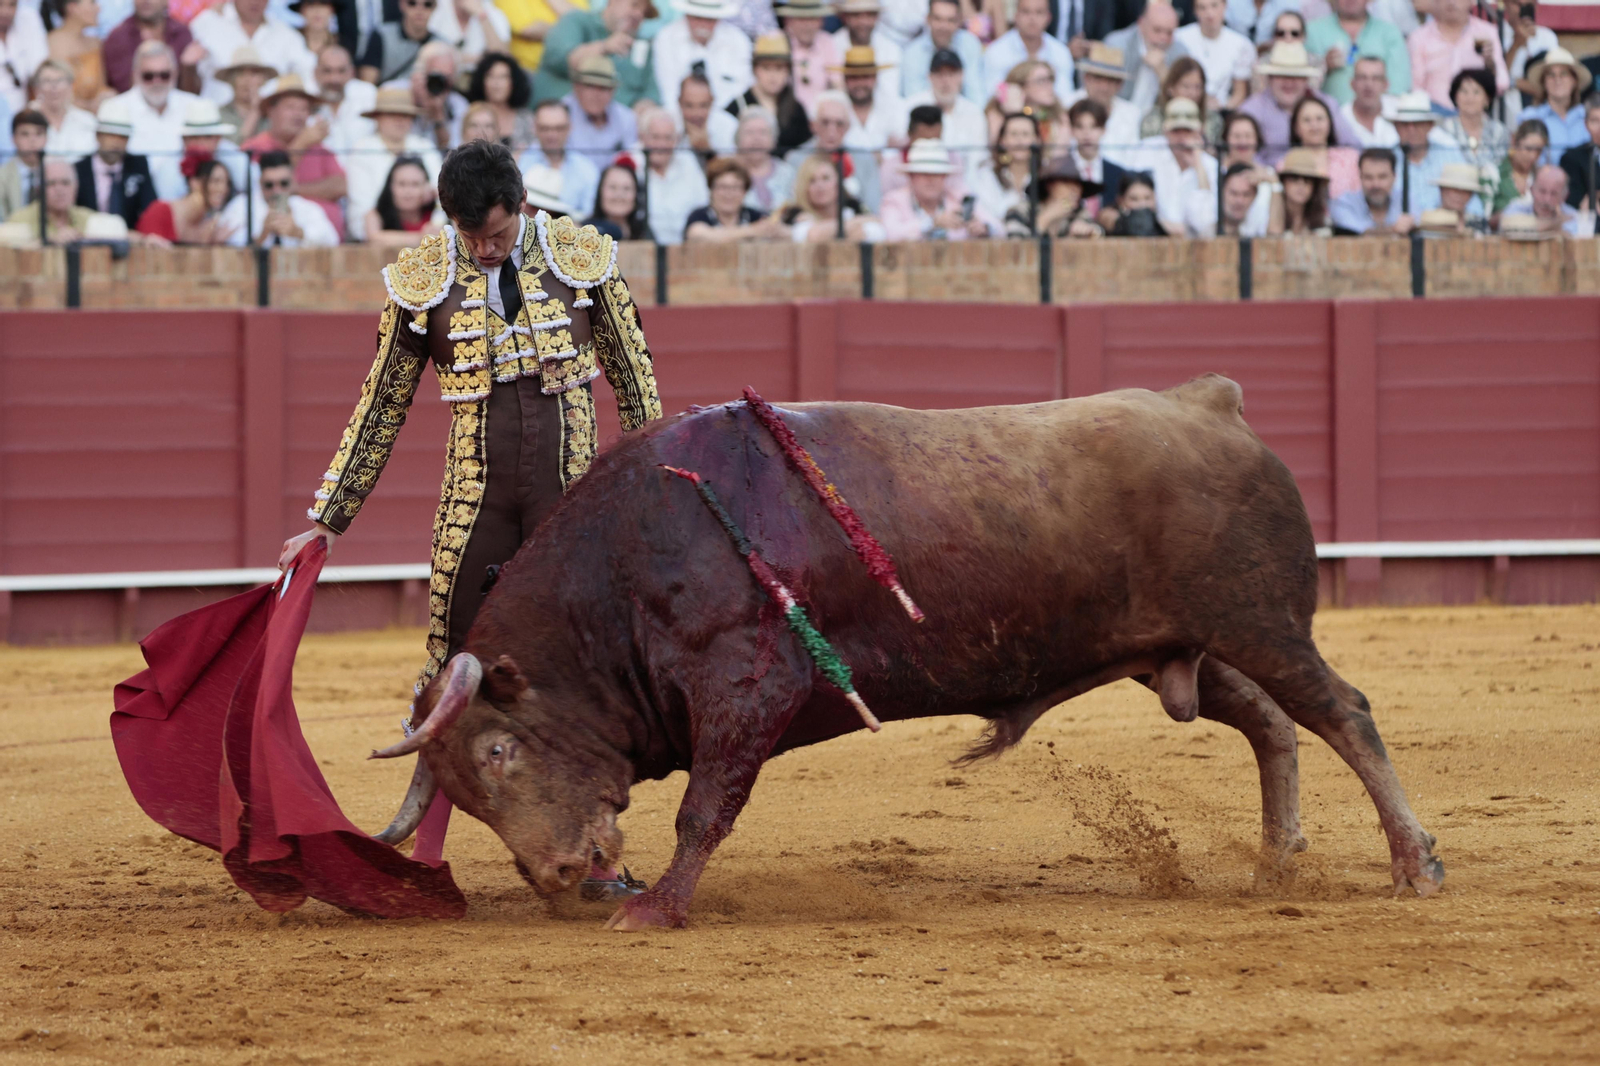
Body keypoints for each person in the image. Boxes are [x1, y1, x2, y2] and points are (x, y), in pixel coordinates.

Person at [281, 139, 663, 778]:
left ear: (520, 204)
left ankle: (594, 845)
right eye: (468, 233)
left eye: (496, 233)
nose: (484, 248)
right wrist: (327, 519)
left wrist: (649, 489)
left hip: (568, 499)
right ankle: (429, 847)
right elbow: (381, 404)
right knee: (453, 655)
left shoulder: (582, 260)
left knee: (581, 663)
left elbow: (635, 380)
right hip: (474, 497)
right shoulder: (423, 280)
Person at [241, 73, 347, 234]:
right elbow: (258, 188)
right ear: (271, 110)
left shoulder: (318, 148)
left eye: (304, 109)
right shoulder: (254, 147)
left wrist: (295, 189)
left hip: (323, 245)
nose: (298, 114)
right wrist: (300, 145)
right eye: (290, 107)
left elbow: (340, 186)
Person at [1237, 40, 1361, 167]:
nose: (1289, 83)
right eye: (1282, 76)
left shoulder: (1326, 105)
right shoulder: (1252, 110)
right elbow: (1238, 154)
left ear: (1306, 79)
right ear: (1270, 78)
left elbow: (1353, 146)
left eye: (1296, 76)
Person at [345, 86, 440, 239]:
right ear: (378, 117)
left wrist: (433, 228)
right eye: (391, 114)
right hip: (374, 239)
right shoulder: (362, 149)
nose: (399, 120)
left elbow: (441, 196)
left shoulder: (425, 147)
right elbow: (363, 208)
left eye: (405, 115)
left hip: (430, 234)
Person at [114, 39, 200, 201]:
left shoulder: (195, 106)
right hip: (133, 200)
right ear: (135, 75)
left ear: (175, 74)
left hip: (187, 200)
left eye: (164, 75)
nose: (157, 82)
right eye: (148, 76)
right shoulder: (116, 109)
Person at [537, 0, 657, 107]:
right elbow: (558, 59)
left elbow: (651, 92)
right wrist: (604, 47)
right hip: (560, 122)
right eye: (634, 5)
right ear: (612, 2)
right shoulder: (576, 20)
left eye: (644, 13)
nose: (639, 14)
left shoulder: (642, 45)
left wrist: (644, 111)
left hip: (618, 126)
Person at [190, 0, 314, 98]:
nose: (255, 2)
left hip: (268, 121)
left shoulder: (286, 34)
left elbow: (309, 77)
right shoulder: (206, 23)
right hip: (214, 119)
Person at [879, 137, 993, 240]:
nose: (930, 180)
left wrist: (984, 228)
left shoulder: (959, 197)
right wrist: (932, 223)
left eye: (936, 174)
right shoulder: (893, 201)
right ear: (911, 176)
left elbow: (998, 227)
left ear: (945, 177)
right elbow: (890, 234)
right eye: (924, 174)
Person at [220, 147, 340, 244]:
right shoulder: (241, 206)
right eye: (269, 185)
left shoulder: (306, 208)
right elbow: (231, 247)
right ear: (260, 182)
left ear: (293, 181)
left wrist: (298, 232)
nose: (277, 191)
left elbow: (331, 240)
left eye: (283, 183)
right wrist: (264, 233)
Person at [0, 156, 128, 243]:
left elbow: (122, 236)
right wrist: (49, 242)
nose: (59, 190)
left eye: (65, 183)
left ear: (75, 188)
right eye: (51, 183)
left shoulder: (87, 218)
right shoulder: (20, 219)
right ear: (39, 190)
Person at [1407, 0, 1507, 111]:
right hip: (1434, 116)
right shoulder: (1419, 37)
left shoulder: (1487, 32)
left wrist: (1490, 64)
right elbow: (1415, 87)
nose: (1451, 2)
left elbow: (1502, 84)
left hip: (1474, 116)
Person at [654, 0, 751, 114]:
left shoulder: (738, 40)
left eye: (710, 19)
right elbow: (669, 92)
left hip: (728, 118)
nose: (703, 24)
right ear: (687, 15)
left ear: (719, 18)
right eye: (698, 17)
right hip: (677, 117)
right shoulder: (666, 38)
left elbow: (741, 89)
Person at [1304, 0, 1409, 106]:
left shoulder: (1389, 33)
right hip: (1326, 118)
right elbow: (1302, 85)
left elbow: (1398, 87)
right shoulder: (1312, 31)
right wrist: (1324, 65)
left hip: (1377, 118)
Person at [902, 48, 984, 179]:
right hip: (921, 180)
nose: (945, 81)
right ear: (929, 77)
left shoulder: (974, 112)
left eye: (951, 74)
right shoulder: (911, 107)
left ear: (961, 76)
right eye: (939, 74)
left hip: (965, 182)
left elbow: (978, 161)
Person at [726, 32, 810, 157]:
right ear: (755, 70)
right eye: (766, 68)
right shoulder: (737, 106)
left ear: (788, 71)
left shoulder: (796, 109)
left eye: (779, 68)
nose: (773, 76)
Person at [76, 96, 157, 226]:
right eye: (111, 135)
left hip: (130, 241)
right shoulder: (79, 169)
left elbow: (151, 207)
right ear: (98, 135)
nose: (116, 142)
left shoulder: (137, 165)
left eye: (122, 137)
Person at [1062, 42, 1140, 167]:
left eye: (1110, 80)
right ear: (1086, 78)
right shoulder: (1066, 104)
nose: (1104, 87)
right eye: (1098, 78)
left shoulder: (1131, 113)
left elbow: (1133, 158)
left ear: (1119, 85)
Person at [1145, 97, 1217, 233]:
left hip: (1197, 242)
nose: (1181, 137)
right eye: (1176, 131)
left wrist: (1198, 165)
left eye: (1187, 130)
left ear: (1199, 131)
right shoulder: (1147, 154)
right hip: (1155, 237)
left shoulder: (1211, 165)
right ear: (1165, 131)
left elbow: (1207, 220)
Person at [519, 96, 598, 218]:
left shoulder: (586, 168)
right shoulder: (519, 163)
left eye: (559, 128)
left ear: (569, 128)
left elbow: (587, 214)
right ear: (534, 128)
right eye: (545, 128)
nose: (552, 135)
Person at [638, 105, 707, 245]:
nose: (661, 145)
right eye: (655, 137)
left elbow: (703, 205)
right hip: (644, 248)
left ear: (676, 140)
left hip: (688, 248)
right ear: (642, 138)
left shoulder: (688, 162)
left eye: (668, 138)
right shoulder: (630, 164)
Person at [782, 148, 885, 241]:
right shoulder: (794, 215)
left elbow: (875, 231)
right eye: (812, 180)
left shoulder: (854, 208)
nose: (820, 186)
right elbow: (812, 235)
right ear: (804, 187)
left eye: (826, 178)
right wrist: (857, 222)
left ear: (838, 182)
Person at [983, 0, 1074, 104]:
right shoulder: (996, 51)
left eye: (1039, 12)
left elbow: (1065, 97)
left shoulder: (1061, 52)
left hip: (1051, 114)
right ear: (1016, 15)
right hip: (1011, 114)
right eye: (1026, 12)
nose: (1032, 18)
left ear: (1048, 17)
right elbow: (993, 96)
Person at [1102, 0, 1183, 114]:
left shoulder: (1180, 53)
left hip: (1158, 121)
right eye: (1157, 30)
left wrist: (1162, 71)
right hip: (1117, 115)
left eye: (1169, 32)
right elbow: (1101, 90)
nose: (1163, 38)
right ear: (1141, 24)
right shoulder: (1116, 45)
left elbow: (1184, 102)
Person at [133, 151, 235, 242]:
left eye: (227, 183)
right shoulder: (160, 212)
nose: (224, 189)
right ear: (194, 182)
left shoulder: (208, 226)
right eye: (216, 181)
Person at [102, 0, 197, 96]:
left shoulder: (181, 33)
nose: (145, 1)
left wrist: (188, 69)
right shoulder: (118, 37)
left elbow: (192, 92)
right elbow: (121, 87)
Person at [807, 89, 880, 208]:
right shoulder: (796, 158)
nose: (832, 131)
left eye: (839, 124)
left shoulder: (864, 159)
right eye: (825, 122)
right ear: (813, 125)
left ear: (848, 127)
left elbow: (873, 207)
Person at [1173, 0, 1252, 111]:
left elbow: (1239, 93)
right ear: (1195, 11)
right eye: (1202, 8)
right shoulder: (1179, 38)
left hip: (1221, 111)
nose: (1209, 13)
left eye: (1214, 5)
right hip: (1184, 107)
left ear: (1224, 6)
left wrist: (1222, 107)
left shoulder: (1241, 44)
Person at [683, 155, 786, 240]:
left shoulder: (754, 216)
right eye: (723, 187)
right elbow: (698, 235)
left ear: (745, 191)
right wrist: (754, 230)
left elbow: (781, 232)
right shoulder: (700, 215)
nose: (729, 194)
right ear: (711, 189)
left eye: (735, 187)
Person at [900, 0, 983, 105]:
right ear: (927, 19)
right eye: (938, 19)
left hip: (962, 114)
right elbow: (914, 100)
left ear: (959, 21)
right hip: (927, 117)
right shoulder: (912, 53)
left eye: (950, 20)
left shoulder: (970, 44)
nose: (943, 26)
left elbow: (975, 93)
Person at [1388, 89, 1453, 218]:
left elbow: (1472, 203)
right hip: (1397, 234)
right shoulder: (1384, 160)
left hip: (1443, 232)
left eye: (1417, 124)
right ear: (1396, 126)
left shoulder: (1450, 155)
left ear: (1430, 125)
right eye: (1405, 124)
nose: (1411, 130)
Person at [1523, 48, 1592, 168]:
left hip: (1587, 185)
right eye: (1551, 75)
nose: (1557, 80)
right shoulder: (1530, 117)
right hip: (1545, 184)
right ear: (1543, 82)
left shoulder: (1590, 116)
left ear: (1574, 80)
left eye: (1564, 74)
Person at [563, 55, 635, 169]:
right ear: (576, 87)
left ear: (613, 91)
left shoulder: (626, 118)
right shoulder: (560, 114)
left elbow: (631, 162)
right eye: (590, 86)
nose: (596, 94)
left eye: (603, 88)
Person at [1004, 153, 1101, 237]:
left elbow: (1097, 232)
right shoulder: (1021, 211)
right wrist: (1045, 219)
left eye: (1078, 184)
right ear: (1050, 185)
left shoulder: (1079, 213)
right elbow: (1016, 247)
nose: (1075, 189)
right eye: (1066, 182)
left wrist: (1089, 231)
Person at [831, 0, 900, 112]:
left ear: (877, 17)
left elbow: (890, 95)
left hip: (882, 117)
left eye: (869, 15)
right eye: (856, 15)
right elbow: (835, 92)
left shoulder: (891, 49)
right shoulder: (832, 45)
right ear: (845, 17)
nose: (863, 22)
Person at [1136, 56, 1220, 145]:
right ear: (1170, 88)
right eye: (1186, 86)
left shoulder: (1212, 120)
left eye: (1198, 87)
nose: (1192, 93)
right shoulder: (1152, 121)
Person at [1438, 68, 1506, 177]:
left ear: (1487, 99)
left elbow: (1502, 171)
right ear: (1455, 97)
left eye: (1476, 92)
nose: (1469, 98)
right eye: (1464, 91)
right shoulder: (1443, 130)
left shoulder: (1498, 132)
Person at [970, 108, 1035, 222]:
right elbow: (986, 215)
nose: (1019, 140)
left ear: (1036, 140)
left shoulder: (1047, 175)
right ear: (1002, 141)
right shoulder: (987, 174)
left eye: (1025, 134)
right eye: (1014, 134)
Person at [1289, 92, 1357, 200]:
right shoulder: (1287, 162)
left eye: (1319, 119)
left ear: (1330, 123)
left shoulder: (1351, 158)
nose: (1314, 125)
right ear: (1296, 128)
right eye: (1307, 120)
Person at [1330, 145, 1413, 234]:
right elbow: (1355, 232)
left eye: (1382, 177)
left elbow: (1419, 224)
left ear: (1394, 177)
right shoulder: (1344, 202)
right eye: (1368, 177)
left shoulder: (1406, 199)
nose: (1375, 184)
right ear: (1360, 177)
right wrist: (1393, 230)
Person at [1498, 0, 1556, 127]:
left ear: (1536, 5)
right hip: (1507, 114)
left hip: (1542, 117)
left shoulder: (1547, 37)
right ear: (1504, 4)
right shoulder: (1495, 34)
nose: (1522, 10)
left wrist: (1514, 82)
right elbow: (1497, 82)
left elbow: (1552, 85)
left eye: (1529, 5)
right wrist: (1516, 44)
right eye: (1517, 4)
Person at [363, 154, 443, 244]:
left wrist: (439, 195)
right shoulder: (376, 215)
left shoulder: (437, 213)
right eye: (402, 184)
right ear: (390, 187)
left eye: (415, 184)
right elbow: (374, 238)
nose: (407, 191)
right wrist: (422, 237)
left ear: (426, 187)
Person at [779, 0, 840, 117]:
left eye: (812, 19)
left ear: (821, 21)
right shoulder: (777, 41)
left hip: (821, 119)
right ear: (788, 21)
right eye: (801, 19)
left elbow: (837, 84)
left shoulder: (827, 42)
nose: (807, 25)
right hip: (786, 119)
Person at [314, 43, 377, 157]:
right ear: (316, 73)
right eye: (327, 71)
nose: (334, 79)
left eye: (341, 71)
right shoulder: (303, 102)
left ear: (352, 72)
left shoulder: (368, 95)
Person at [833, 45, 900, 151]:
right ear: (845, 79)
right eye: (854, 77)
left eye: (865, 76)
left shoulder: (894, 107)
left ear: (875, 78)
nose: (860, 83)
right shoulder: (833, 109)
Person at [46, 0, 109, 108]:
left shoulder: (96, 43)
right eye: (92, 3)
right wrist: (89, 107)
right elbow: (53, 93)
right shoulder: (52, 44)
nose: (98, 9)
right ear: (72, 7)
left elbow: (102, 87)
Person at [356, 0, 435, 85]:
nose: (420, 10)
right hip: (385, 96)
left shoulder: (441, 44)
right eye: (412, 3)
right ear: (402, 4)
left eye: (427, 4)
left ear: (435, 7)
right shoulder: (381, 36)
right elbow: (367, 85)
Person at [1067, 98, 1127, 211]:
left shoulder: (1118, 173)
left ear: (1103, 130)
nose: (1087, 134)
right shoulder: (1060, 170)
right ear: (1072, 130)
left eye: (1094, 126)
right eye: (1080, 126)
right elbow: (1061, 206)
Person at [408, 42, 469, 152]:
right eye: (435, 76)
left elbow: (452, 150)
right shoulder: (398, 92)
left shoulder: (459, 104)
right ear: (421, 73)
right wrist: (414, 101)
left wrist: (438, 117)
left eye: (447, 78)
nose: (440, 83)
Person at [732, 106, 794, 213]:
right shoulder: (728, 172)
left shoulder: (788, 172)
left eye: (763, 132)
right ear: (738, 139)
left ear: (773, 139)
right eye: (749, 132)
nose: (756, 138)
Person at [467, 52, 534, 151]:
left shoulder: (527, 118)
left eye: (503, 77)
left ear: (513, 82)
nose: (496, 83)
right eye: (490, 76)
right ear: (482, 81)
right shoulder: (469, 114)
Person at [29, 59, 95, 158]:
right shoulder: (26, 121)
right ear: (37, 88)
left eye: (60, 80)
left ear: (71, 86)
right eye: (47, 81)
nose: (54, 87)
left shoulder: (87, 121)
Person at [499, 0, 582, 77]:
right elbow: (527, 28)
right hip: (529, 72)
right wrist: (570, 32)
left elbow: (582, 22)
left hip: (572, 70)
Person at [1191, 160, 1273, 236]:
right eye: (1234, 193)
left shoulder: (1256, 225)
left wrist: (1274, 182)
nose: (1239, 201)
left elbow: (1275, 232)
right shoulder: (1205, 227)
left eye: (1246, 194)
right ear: (1221, 192)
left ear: (1255, 196)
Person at [428, 0, 511, 72]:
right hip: (441, 77)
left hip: (480, 81)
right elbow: (427, 52)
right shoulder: (436, 7)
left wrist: (482, 16)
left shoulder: (493, 13)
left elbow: (501, 57)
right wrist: (481, 59)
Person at [1500, 162, 1581, 235]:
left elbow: (1573, 240)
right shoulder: (1517, 207)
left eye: (1554, 194)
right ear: (1532, 190)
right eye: (1542, 191)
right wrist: (1556, 223)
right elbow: (1507, 226)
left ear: (1565, 196)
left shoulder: (1573, 216)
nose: (1547, 200)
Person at [216, 47, 275, 145]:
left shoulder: (272, 113)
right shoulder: (220, 114)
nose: (247, 80)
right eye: (240, 74)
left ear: (263, 80)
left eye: (254, 73)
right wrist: (255, 111)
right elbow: (237, 146)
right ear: (231, 81)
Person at [1341, 55, 1398, 149]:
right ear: (1352, 84)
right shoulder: (1341, 119)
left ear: (1386, 85)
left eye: (1376, 78)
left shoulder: (1400, 111)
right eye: (1362, 78)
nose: (1369, 85)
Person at [0, 0, 47, 113]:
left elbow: (39, 69)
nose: (5, 12)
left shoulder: (29, 19)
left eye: (12, 5)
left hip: (24, 107)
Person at [586, 158, 653, 238]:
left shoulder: (644, 233)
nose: (619, 195)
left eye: (626, 188)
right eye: (613, 187)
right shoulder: (585, 232)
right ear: (600, 191)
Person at [1493, 117, 1545, 215]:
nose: (1533, 156)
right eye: (1528, 149)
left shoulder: (1542, 178)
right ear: (1514, 141)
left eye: (1539, 151)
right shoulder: (1495, 173)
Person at [677, 72, 735, 158]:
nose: (696, 114)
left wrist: (707, 151)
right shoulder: (666, 125)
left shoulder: (729, 127)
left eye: (703, 105)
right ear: (679, 103)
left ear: (712, 102)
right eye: (689, 106)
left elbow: (732, 169)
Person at [0, 108, 45, 217]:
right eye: (25, 134)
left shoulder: (59, 172)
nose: (32, 140)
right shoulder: (2, 176)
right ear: (13, 139)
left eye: (38, 133)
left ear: (47, 137)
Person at [1276, 145, 1330, 234]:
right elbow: (1274, 235)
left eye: (1307, 180)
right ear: (1283, 182)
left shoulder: (1322, 219)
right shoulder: (1269, 211)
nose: (1301, 185)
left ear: (1314, 187)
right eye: (1294, 178)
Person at [1105, 171, 1165, 235]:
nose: (1142, 205)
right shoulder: (1110, 221)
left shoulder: (1165, 225)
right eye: (1134, 199)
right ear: (1120, 200)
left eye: (1147, 198)